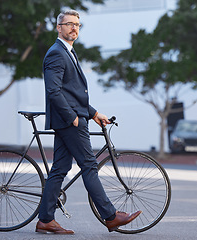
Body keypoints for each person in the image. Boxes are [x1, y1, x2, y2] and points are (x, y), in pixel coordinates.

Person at [36, 9, 141, 234]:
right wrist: (73, 117)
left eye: (77, 24)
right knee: (89, 165)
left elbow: (71, 92)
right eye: (69, 24)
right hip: (70, 121)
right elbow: (53, 91)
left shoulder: (68, 52)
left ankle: (45, 219)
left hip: (73, 118)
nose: (74, 28)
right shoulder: (57, 53)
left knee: (60, 168)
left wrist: (93, 113)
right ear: (58, 27)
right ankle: (111, 216)